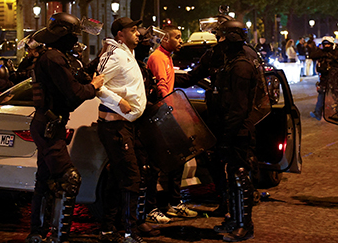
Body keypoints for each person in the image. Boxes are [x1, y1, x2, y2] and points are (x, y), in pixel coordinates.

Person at [27, 13, 104, 243]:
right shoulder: (53, 58)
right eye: (73, 36)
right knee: (69, 179)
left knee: (45, 178)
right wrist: (93, 86)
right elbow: (74, 94)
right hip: (49, 126)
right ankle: (58, 237)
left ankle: (38, 233)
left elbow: (76, 78)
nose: (75, 41)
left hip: (50, 125)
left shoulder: (55, 56)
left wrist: (98, 61)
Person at [96, 16, 155, 243]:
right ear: (120, 34)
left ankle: (108, 229)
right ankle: (130, 232)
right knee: (132, 176)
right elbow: (96, 84)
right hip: (115, 126)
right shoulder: (115, 55)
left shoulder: (127, 54)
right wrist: (118, 102)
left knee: (116, 177)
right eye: (133, 30)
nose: (138, 33)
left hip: (125, 125)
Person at [211, 20, 262, 241]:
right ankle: (235, 219)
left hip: (238, 131)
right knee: (233, 176)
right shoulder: (232, 62)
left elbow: (239, 108)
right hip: (232, 129)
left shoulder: (241, 66)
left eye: (222, 37)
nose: (219, 41)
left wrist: (226, 138)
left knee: (241, 177)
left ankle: (244, 225)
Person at [145, 24, 198, 223]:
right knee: (157, 164)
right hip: (162, 115)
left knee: (178, 158)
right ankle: (153, 207)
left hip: (167, 114)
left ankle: (173, 203)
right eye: (177, 37)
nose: (181, 41)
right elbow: (161, 88)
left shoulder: (166, 57)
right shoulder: (158, 58)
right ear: (165, 39)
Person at [309, 36, 334, 121]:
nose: (327, 46)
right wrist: (324, 53)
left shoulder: (335, 53)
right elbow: (312, 55)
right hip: (323, 77)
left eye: (328, 44)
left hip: (334, 77)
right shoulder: (321, 53)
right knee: (322, 93)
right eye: (325, 44)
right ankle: (318, 112)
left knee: (335, 95)